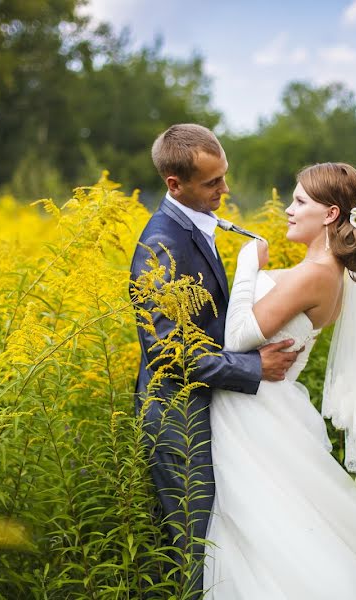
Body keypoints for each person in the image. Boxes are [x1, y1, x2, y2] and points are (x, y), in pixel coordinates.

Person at [204, 162, 356, 599]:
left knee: (269, 537)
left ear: (331, 214)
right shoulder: (323, 272)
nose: (288, 210)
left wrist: (245, 267)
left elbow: (237, 337)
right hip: (268, 407)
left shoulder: (316, 273)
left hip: (255, 414)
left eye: (299, 201)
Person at [129, 123, 300, 596]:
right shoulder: (160, 245)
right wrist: (252, 367)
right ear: (174, 185)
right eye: (212, 183)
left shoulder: (195, 225)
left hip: (203, 407)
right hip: (176, 417)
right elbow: (167, 350)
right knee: (192, 548)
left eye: (224, 176)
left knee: (213, 542)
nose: (225, 189)